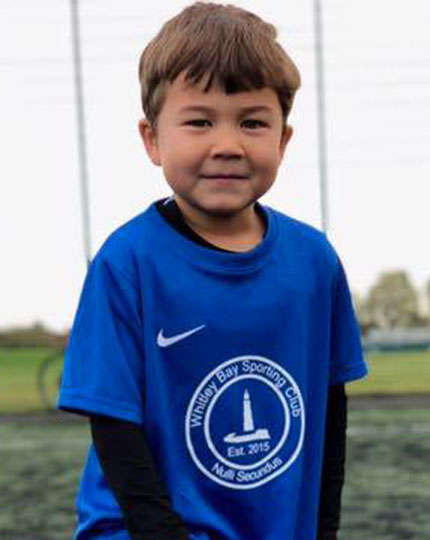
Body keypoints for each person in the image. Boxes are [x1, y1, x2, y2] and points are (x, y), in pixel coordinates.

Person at [58, 3, 368, 539]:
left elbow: (329, 415)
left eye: (252, 122)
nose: (227, 145)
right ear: (152, 139)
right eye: (200, 122)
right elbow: (114, 427)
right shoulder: (127, 262)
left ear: (283, 140)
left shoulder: (315, 262)